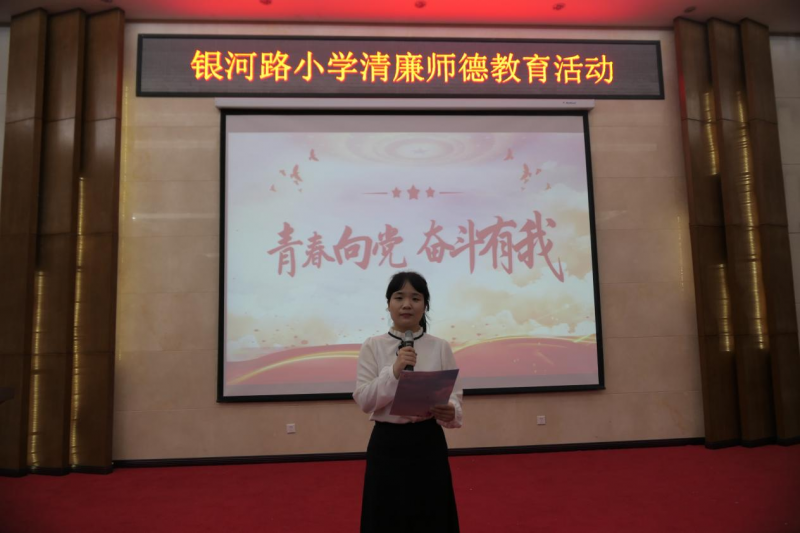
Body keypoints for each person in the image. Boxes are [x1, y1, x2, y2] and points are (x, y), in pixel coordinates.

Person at [353, 271, 462, 533]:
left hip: (428, 441)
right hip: (387, 443)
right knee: (386, 516)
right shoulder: (373, 346)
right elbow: (365, 400)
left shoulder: (440, 347)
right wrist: (394, 370)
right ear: (388, 304)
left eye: (415, 298)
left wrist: (451, 411)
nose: (407, 305)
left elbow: (454, 397)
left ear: (425, 305)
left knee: (432, 514)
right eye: (399, 297)